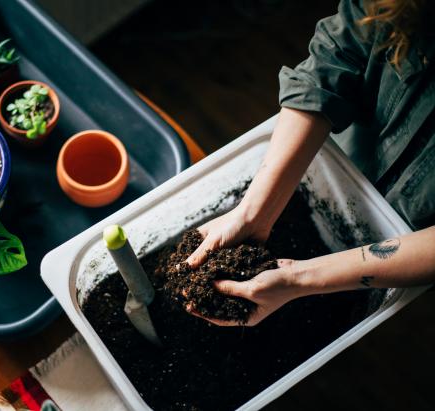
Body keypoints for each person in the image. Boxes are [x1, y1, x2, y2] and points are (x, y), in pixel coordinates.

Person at [186, 0, 435, 326]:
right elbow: (338, 55)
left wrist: (299, 279)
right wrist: (254, 212)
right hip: (344, 160)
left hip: (412, 245)